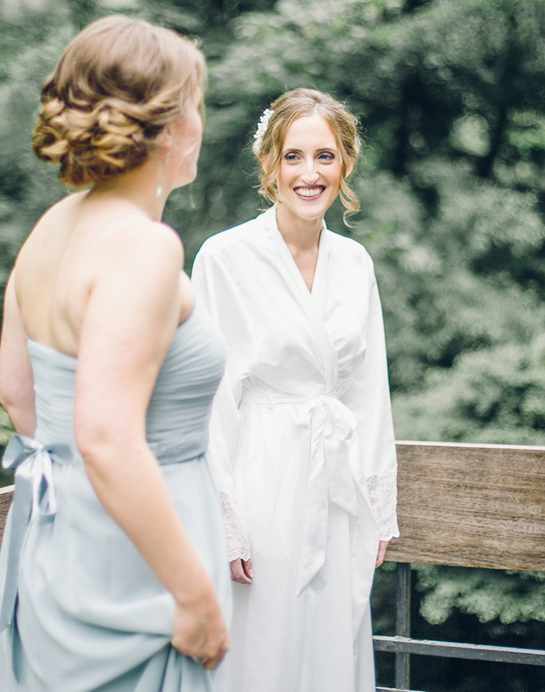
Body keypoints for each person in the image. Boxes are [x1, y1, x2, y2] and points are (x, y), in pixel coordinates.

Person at [0, 15, 231, 691]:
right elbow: (105, 437)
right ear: (168, 124)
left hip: (61, 541)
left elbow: (19, 395)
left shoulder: (53, 226)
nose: (201, 124)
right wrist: (191, 594)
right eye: (197, 105)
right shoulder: (144, 247)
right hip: (138, 571)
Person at [191, 88, 399, 692]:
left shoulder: (355, 263)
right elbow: (208, 400)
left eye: (325, 157)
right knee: (261, 650)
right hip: (260, 478)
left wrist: (377, 504)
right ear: (269, 165)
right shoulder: (223, 258)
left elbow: (368, 392)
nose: (310, 174)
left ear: (346, 163)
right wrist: (223, 517)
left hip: (336, 489)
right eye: (294, 157)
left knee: (331, 642)